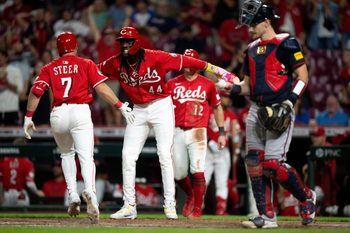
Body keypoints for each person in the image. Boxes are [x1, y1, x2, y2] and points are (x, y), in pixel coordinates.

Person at [98, 26, 237, 220]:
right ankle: (129, 205)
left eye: (128, 41)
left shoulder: (156, 56)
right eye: (122, 42)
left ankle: (170, 204)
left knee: (164, 154)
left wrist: (219, 71)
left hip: (160, 105)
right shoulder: (114, 63)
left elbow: (189, 61)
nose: (125, 45)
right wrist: (117, 103)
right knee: (127, 155)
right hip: (137, 109)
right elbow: (93, 74)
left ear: (137, 42)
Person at [219, 0, 316, 228]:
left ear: (265, 22)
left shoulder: (288, 42)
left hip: (281, 108)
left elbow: (303, 77)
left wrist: (290, 103)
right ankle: (267, 216)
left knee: (273, 165)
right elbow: (247, 86)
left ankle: (306, 197)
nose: (249, 30)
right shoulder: (250, 49)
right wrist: (228, 88)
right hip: (256, 110)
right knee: (254, 162)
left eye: (252, 24)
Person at [23, 31, 135, 224]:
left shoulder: (49, 67)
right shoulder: (86, 63)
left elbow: (36, 91)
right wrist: (120, 106)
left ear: (58, 49)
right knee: (86, 157)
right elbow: (101, 88)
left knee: (66, 155)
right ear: (75, 47)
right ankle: (90, 193)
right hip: (80, 111)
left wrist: (28, 117)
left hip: (58, 113)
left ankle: (73, 194)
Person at [167, 49, 225, 218]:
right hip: (177, 130)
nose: (188, 65)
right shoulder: (172, 83)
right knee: (178, 174)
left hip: (198, 130)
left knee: (198, 171)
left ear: (198, 65)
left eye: (191, 62)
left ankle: (198, 210)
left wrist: (221, 132)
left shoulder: (208, 84)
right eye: (186, 61)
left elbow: (217, 107)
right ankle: (191, 196)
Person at [204, 91, 241, 215]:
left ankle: (221, 209)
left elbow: (236, 135)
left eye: (227, 97)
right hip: (207, 150)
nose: (226, 99)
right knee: (203, 180)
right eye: (223, 96)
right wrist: (209, 141)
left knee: (222, 181)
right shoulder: (209, 111)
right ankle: (198, 207)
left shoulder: (231, 115)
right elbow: (201, 128)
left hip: (223, 151)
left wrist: (235, 152)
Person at [0, 138, 44, 206]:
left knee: (5, 215)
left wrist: (1, 196)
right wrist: (37, 192)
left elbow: (1, 183)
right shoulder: (27, 163)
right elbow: (30, 184)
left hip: (6, 195)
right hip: (20, 194)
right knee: (23, 213)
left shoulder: (4, 161)